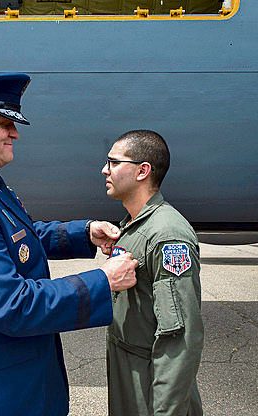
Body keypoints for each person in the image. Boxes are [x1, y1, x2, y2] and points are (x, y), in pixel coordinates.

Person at [0, 73, 139, 416]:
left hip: (14, 381)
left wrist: (84, 233)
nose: (15, 133)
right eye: (5, 123)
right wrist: (103, 281)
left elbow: (17, 237)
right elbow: (11, 305)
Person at [102, 130, 204, 416]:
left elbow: (180, 338)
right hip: (128, 371)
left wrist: (166, 410)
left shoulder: (167, 235)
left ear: (142, 171)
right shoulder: (135, 226)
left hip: (148, 381)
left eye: (113, 162)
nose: (104, 170)